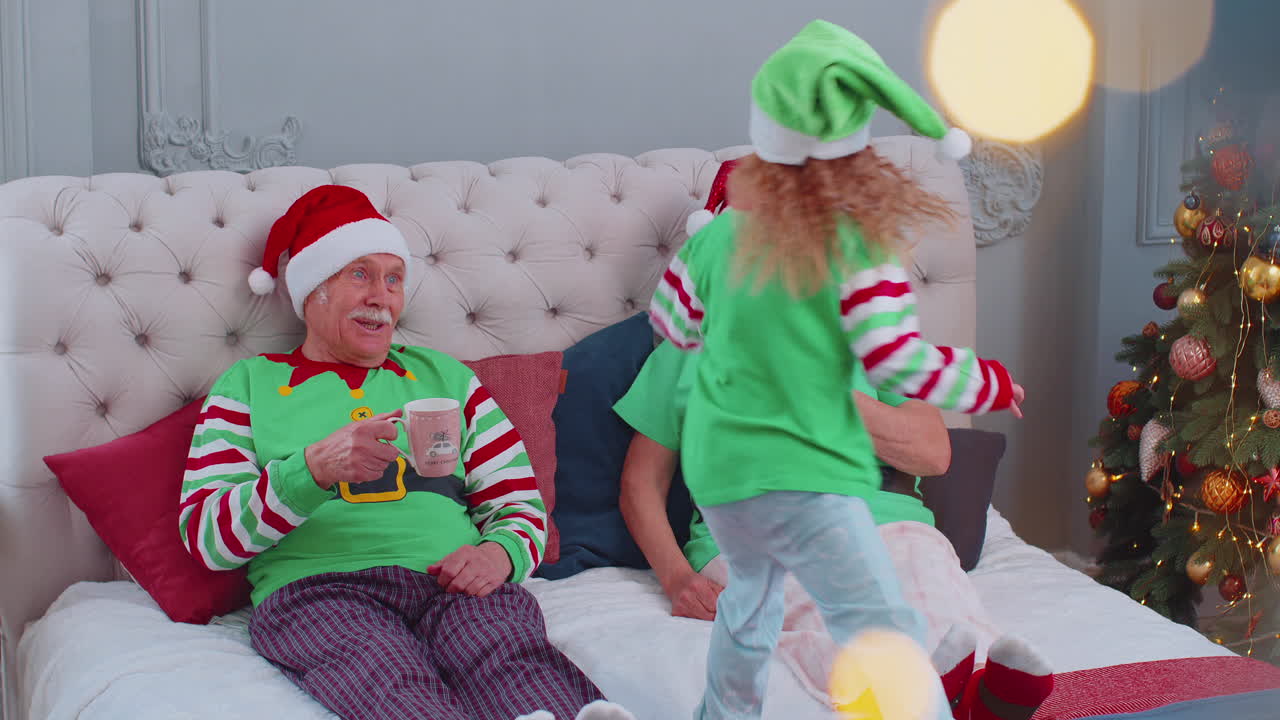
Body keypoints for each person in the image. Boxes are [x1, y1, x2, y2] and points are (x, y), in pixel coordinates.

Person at [647, 20, 1039, 720]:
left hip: (747, 487)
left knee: (758, 615)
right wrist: (989, 383)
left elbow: (670, 323)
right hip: (798, 487)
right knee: (870, 618)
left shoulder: (722, 246)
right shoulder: (851, 254)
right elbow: (903, 361)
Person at [179, 185, 633, 720]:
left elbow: (519, 503)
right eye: (360, 274)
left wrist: (499, 554)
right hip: (320, 593)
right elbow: (209, 539)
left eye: (394, 279)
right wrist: (312, 471)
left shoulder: (448, 379)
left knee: (509, 657)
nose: (382, 296)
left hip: (451, 582)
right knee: (384, 675)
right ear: (311, 291)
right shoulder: (248, 385)